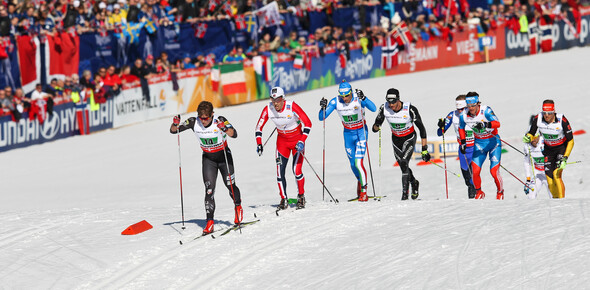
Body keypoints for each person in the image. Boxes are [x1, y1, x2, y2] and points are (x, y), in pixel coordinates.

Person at [170, 101, 243, 235]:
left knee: (230, 185)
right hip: (209, 159)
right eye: (201, 117)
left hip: (223, 157)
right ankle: (210, 222)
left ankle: (238, 206)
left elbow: (234, 134)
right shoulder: (193, 121)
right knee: (209, 190)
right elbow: (174, 131)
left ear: (212, 115)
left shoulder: (219, 120)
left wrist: (225, 128)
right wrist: (175, 124)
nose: (203, 121)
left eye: (206, 118)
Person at [255, 87, 312, 210]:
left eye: (278, 99)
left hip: (297, 141)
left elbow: (308, 123)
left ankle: (301, 196)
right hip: (282, 143)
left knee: (297, 170)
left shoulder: (292, 106)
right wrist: (259, 143)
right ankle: (283, 198)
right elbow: (259, 127)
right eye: (273, 99)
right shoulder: (268, 109)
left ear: (283, 98)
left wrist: (302, 141)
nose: (275, 103)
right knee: (279, 172)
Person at [319, 81, 377, 201]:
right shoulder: (335, 101)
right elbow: (321, 117)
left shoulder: (358, 98)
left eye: (347, 95)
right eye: (342, 96)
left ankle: (364, 192)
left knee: (358, 163)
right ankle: (360, 183)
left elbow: (373, 108)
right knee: (352, 165)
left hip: (361, 133)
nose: (344, 98)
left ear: (351, 92)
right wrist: (322, 108)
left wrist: (364, 98)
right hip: (348, 135)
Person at [372, 88, 430, 200]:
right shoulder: (385, 108)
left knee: (404, 163)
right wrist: (377, 122)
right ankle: (414, 182)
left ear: (399, 99)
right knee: (403, 166)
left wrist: (424, 149)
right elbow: (375, 129)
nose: (391, 104)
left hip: (409, 138)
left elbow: (422, 129)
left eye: (393, 101)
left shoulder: (410, 109)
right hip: (396, 140)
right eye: (389, 102)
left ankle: (404, 195)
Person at [524, 99, 574, 198]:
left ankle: (562, 200)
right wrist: (528, 137)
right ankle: (555, 201)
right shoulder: (538, 118)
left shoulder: (562, 120)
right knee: (549, 178)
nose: (546, 115)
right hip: (548, 150)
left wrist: (565, 157)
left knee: (556, 174)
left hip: (561, 148)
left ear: (554, 112)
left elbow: (571, 141)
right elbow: (532, 132)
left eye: (549, 113)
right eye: (545, 112)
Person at [458, 92, 503, 200]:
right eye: (469, 106)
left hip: (493, 143)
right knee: (475, 171)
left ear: (478, 104)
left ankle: (500, 192)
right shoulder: (463, 115)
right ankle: (479, 192)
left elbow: (497, 123)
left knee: (493, 171)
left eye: (473, 105)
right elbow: (461, 128)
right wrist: (463, 142)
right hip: (479, 144)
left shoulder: (486, 110)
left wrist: (485, 124)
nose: (471, 108)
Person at [437, 95, 477, 198]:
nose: (460, 111)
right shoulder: (452, 115)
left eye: (462, 109)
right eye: (458, 109)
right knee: (466, 176)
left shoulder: (473, 114)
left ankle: (475, 196)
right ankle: (472, 190)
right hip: (463, 150)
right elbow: (440, 133)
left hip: (475, 147)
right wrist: (441, 126)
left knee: (474, 175)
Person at [523, 133, 550, 199]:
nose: (533, 140)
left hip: (549, 175)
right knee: (531, 196)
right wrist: (528, 180)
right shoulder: (527, 146)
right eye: (531, 138)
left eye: (535, 137)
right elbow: (527, 162)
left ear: (539, 136)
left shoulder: (545, 141)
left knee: (554, 197)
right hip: (537, 175)